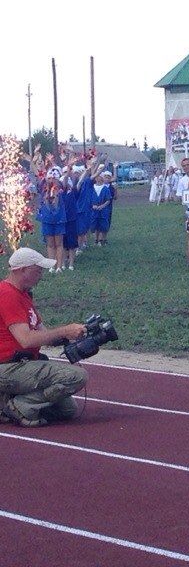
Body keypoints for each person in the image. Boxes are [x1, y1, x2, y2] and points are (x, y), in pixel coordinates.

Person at [0, 248, 88, 427]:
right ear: (22, 270)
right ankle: (19, 405)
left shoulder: (22, 295)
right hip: (8, 366)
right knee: (78, 376)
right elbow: (26, 339)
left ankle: (7, 401)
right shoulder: (7, 295)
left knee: (67, 410)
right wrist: (64, 330)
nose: (41, 275)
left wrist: (76, 335)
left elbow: (43, 334)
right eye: (37, 270)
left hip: (22, 364)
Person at [37, 168, 66, 272]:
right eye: (48, 178)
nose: (51, 180)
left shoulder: (60, 190)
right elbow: (38, 174)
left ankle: (59, 266)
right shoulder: (43, 190)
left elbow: (65, 180)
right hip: (47, 219)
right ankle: (51, 266)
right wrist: (33, 160)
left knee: (59, 244)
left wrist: (69, 165)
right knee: (50, 244)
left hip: (59, 220)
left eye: (53, 178)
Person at [90, 170, 116, 246]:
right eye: (97, 177)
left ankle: (102, 240)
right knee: (95, 225)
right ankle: (96, 240)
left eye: (100, 177)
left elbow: (108, 200)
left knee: (103, 225)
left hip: (103, 210)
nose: (98, 178)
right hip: (94, 210)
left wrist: (102, 206)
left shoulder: (105, 188)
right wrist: (92, 205)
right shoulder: (92, 188)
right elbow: (88, 199)